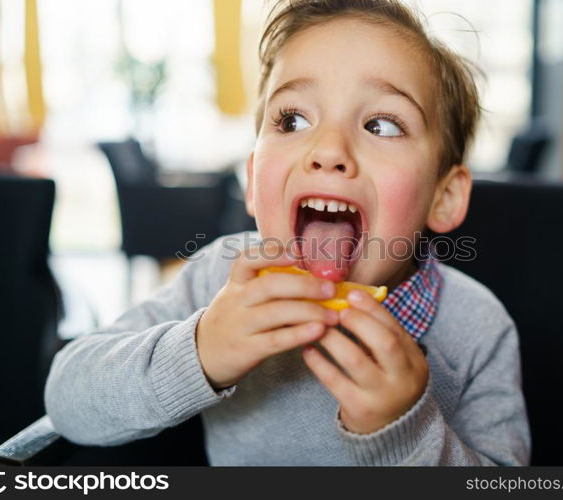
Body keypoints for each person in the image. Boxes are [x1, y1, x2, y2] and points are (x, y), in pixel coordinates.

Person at [45, 0, 531, 466]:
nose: (328, 149)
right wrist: (199, 352)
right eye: (292, 119)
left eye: (381, 124)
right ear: (255, 182)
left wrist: (404, 428)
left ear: (443, 197)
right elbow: (67, 398)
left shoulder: (478, 329)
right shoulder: (216, 281)